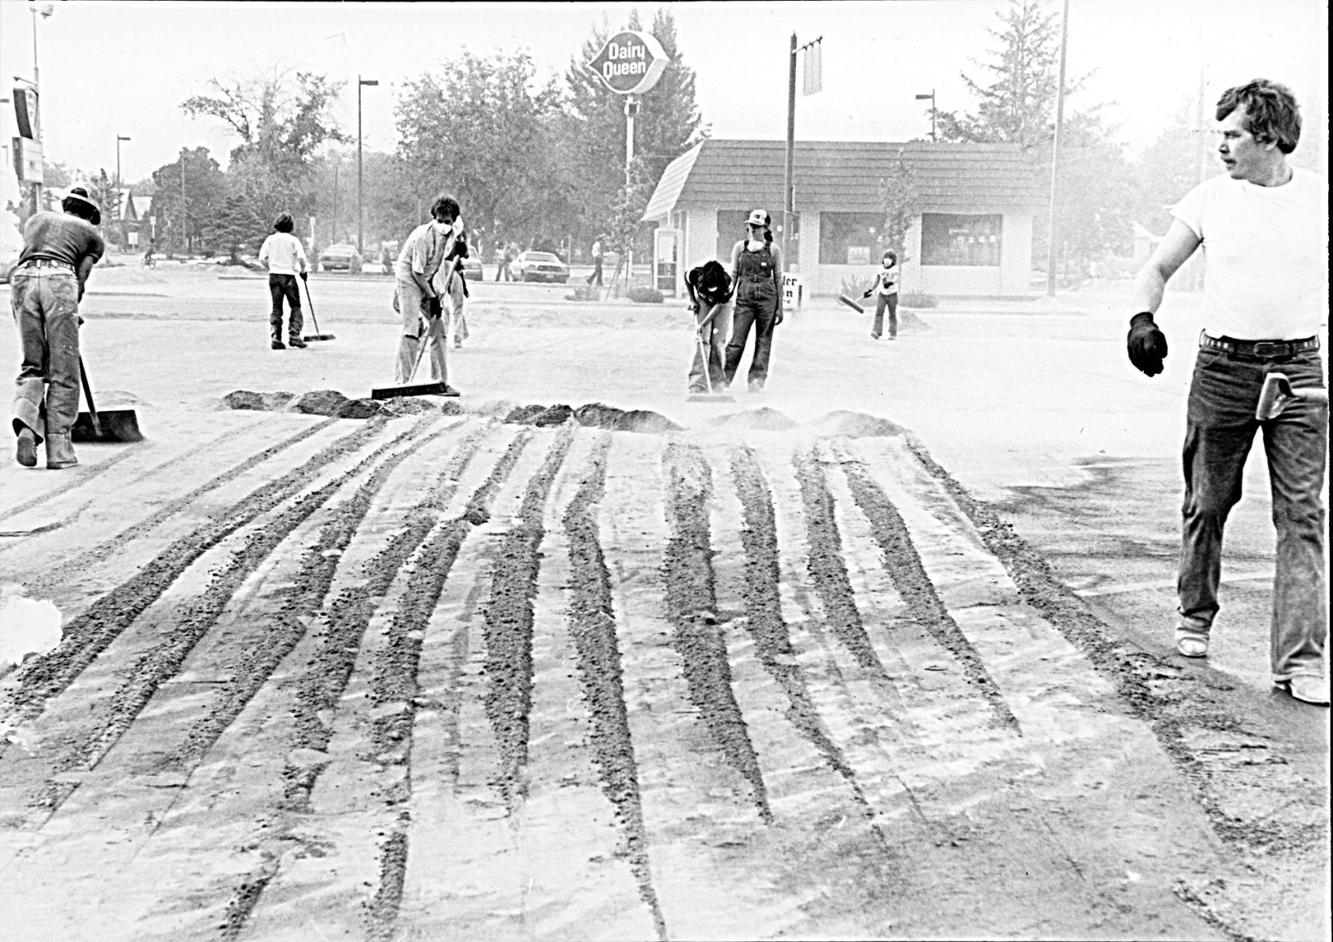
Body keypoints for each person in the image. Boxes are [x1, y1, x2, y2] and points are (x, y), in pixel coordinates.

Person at [1126, 78, 1328, 706]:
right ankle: (1194, 615)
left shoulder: (1320, 198)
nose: (1221, 146)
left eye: (1233, 134)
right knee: (1209, 501)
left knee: (1302, 515)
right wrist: (1143, 319)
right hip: (1225, 366)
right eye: (1219, 133)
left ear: (1270, 136)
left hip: (1299, 369)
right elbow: (1158, 268)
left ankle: (1300, 661)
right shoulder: (1211, 199)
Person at [10, 185, 106, 470]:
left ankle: (27, 425)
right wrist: (70, 313)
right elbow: (80, 276)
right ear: (89, 215)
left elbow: (29, 255)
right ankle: (59, 449)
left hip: (22, 280)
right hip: (60, 281)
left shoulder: (37, 219)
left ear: (66, 207)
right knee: (64, 371)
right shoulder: (92, 235)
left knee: (32, 365)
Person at [393, 195, 465, 392]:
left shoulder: (455, 229)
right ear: (434, 218)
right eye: (439, 221)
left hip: (430, 277)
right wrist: (432, 297)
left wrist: (461, 247)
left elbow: (459, 236)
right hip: (410, 278)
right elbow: (417, 272)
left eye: (447, 221)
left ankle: (439, 381)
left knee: (438, 328)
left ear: (453, 221)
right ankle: (402, 383)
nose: (443, 225)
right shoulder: (421, 236)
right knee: (411, 328)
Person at [723, 209, 784, 392]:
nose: (753, 230)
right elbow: (734, 275)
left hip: (768, 300)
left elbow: (778, 278)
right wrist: (726, 297)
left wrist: (779, 308)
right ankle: (723, 379)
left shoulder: (773, 250)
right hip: (745, 299)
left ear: (765, 228)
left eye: (757, 227)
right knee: (736, 341)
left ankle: (756, 382)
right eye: (751, 226)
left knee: (763, 341)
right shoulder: (740, 248)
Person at [258, 213, 310, 350]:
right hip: (288, 276)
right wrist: (303, 270)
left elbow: (262, 258)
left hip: (274, 276)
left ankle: (276, 337)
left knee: (276, 307)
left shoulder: (270, 239)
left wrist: (270, 267)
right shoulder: (293, 240)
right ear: (290, 226)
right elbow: (301, 258)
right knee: (295, 305)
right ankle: (294, 334)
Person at [683, 259, 733, 394]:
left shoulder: (728, 283)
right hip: (703, 301)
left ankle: (717, 383)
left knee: (717, 341)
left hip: (721, 304)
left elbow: (718, 306)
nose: (711, 289)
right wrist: (693, 300)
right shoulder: (695, 274)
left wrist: (703, 323)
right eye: (709, 286)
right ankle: (697, 385)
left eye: (714, 286)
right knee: (702, 341)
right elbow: (686, 279)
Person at [861, 249, 900, 340]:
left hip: (892, 294)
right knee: (879, 312)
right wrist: (870, 290)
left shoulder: (895, 269)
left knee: (892, 314)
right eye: (886, 257)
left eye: (890, 258)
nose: (887, 259)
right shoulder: (880, 268)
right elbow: (877, 280)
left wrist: (889, 283)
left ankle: (892, 333)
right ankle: (876, 331)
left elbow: (896, 279)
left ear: (893, 260)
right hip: (882, 294)